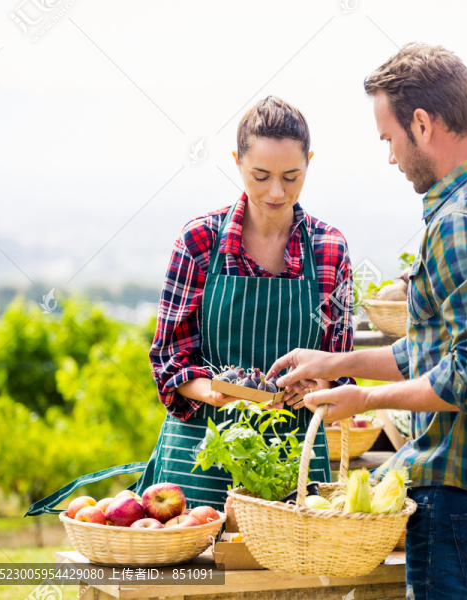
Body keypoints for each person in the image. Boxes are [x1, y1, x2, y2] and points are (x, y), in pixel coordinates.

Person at [268, 44, 467, 599]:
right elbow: (444, 349)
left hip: (464, 501)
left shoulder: (458, 224)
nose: (390, 157)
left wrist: (367, 401)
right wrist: (340, 363)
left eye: (389, 138)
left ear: (422, 124)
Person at [140, 95, 355, 509]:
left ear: (310, 161)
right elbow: (169, 358)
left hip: (295, 459)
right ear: (237, 161)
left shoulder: (330, 250)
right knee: (202, 573)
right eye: (260, 175)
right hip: (201, 455)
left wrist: (319, 384)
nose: (276, 192)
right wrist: (213, 391)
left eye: (291, 176)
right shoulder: (199, 242)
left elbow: (341, 364)